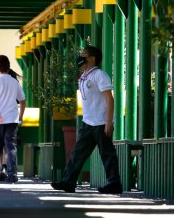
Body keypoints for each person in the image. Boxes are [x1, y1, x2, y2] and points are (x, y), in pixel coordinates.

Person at [51, 45, 123, 194]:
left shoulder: (99, 75)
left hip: (102, 122)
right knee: (77, 153)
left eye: (83, 55)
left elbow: (110, 98)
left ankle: (114, 183)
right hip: (88, 122)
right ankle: (68, 182)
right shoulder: (84, 77)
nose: (80, 57)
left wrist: (109, 122)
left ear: (92, 58)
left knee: (107, 154)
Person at [0, 55, 26, 183]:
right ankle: (12, 174)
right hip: (12, 119)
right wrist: (20, 116)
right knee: (11, 147)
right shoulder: (15, 82)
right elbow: (22, 100)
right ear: (8, 67)